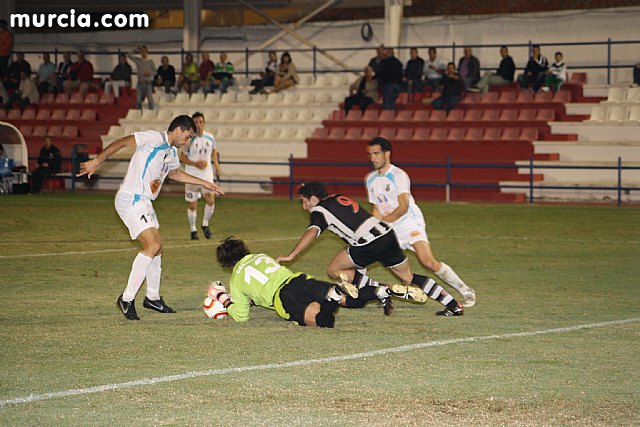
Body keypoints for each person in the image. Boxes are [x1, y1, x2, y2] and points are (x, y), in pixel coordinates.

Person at [76, 115, 225, 320]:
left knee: (158, 246)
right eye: (188, 136)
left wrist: (205, 183)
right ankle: (127, 299)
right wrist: (97, 161)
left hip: (145, 202)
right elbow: (122, 142)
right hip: (132, 199)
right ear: (179, 130)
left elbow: (175, 175)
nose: (188, 141)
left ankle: (152, 298)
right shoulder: (153, 138)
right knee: (152, 245)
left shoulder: (172, 152)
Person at [277, 182, 465, 317]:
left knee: (334, 270)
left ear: (314, 198)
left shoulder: (319, 210)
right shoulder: (338, 197)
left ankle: (380, 289)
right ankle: (453, 305)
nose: (304, 207)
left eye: (304, 201)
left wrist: (292, 255)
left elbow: (313, 231)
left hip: (367, 243)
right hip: (388, 235)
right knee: (409, 277)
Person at [365, 137, 476, 308]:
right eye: (370, 154)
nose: (373, 158)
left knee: (428, 261)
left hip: (409, 223)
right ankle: (364, 294)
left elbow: (403, 207)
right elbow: (377, 208)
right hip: (389, 226)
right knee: (368, 256)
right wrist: (374, 227)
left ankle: (466, 291)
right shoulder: (370, 179)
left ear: (387, 154)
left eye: (376, 153)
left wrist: (384, 224)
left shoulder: (399, 175)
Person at [214, 237, 358, 328]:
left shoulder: (235, 280)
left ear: (226, 263)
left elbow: (241, 316)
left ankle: (331, 300)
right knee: (340, 299)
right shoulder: (260, 256)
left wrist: (224, 299)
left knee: (323, 321)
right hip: (298, 279)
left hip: (282, 297)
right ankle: (339, 294)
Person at [179, 112, 222, 240]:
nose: (198, 125)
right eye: (196, 122)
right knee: (193, 204)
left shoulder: (210, 137)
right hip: (192, 175)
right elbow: (182, 157)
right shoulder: (188, 140)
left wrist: (216, 165)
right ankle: (193, 229)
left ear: (204, 123)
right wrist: (195, 163)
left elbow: (214, 151)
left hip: (207, 174)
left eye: (201, 122)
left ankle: (205, 224)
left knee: (210, 200)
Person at [127, 46, 155, 110]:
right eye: (142, 51)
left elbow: (155, 72)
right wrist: (136, 49)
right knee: (138, 100)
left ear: (147, 52)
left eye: (145, 51)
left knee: (150, 100)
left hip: (148, 83)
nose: (143, 53)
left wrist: (149, 73)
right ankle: (139, 113)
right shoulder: (138, 60)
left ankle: (152, 112)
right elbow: (129, 55)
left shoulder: (150, 62)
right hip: (140, 83)